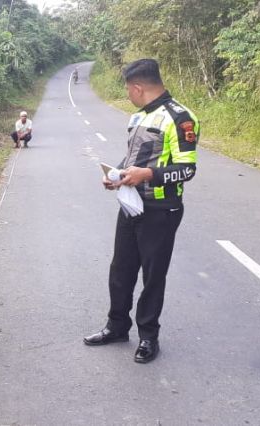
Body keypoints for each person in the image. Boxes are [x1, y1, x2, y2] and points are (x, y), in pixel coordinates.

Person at [83, 59, 199, 363]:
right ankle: (117, 326)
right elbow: (134, 156)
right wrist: (118, 175)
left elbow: (187, 170)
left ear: (138, 87)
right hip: (131, 202)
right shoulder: (136, 117)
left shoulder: (181, 118)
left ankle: (149, 337)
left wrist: (146, 175)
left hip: (162, 209)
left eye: (127, 89)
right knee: (120, 270)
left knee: (153, 276)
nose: (128, 94)